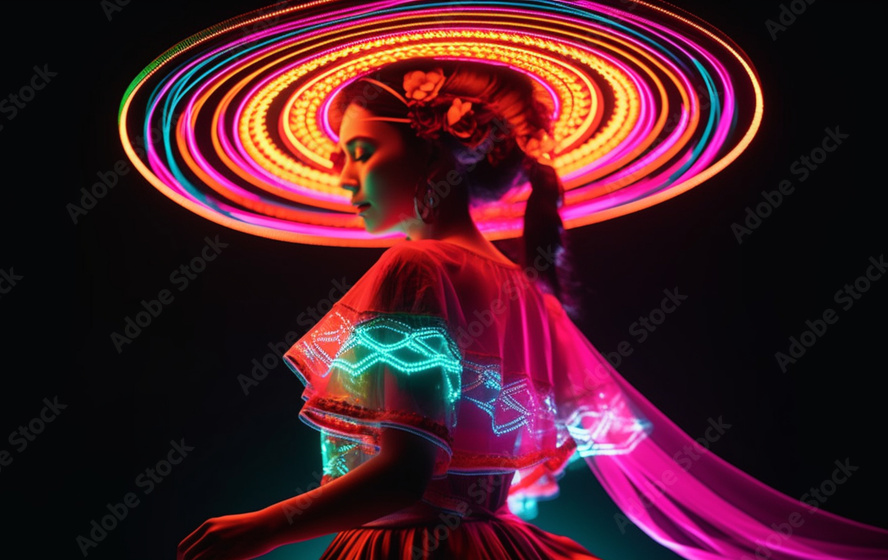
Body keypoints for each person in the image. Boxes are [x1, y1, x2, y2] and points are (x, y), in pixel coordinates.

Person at [177, 59, 888, 560]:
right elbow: (490, 469)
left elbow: (405, 472)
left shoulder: (417, 271)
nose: (340, 173)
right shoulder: (524, 290)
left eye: (361, 150)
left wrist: (260, 529)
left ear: (439, 155)